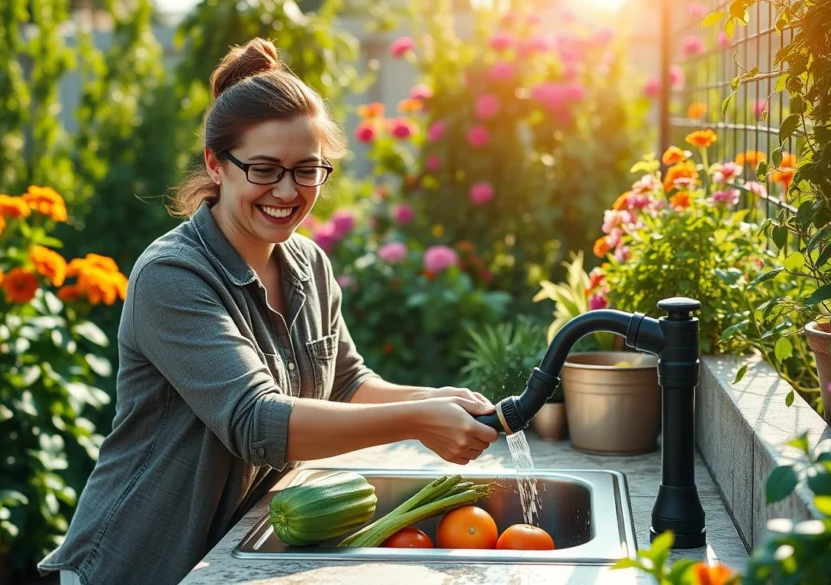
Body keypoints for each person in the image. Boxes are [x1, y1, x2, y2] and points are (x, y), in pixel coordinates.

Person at [37, 38, 500, 585]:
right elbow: (255, 422)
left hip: (231, 554)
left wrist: (432, 399)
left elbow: (346, 382)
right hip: (138, 562)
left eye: (306, 170)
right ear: (216, 164)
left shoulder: (308, 261)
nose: (287, 191)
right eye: (264, 169)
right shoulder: (172, 276)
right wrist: (417, 421)